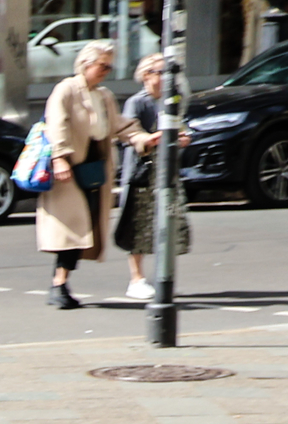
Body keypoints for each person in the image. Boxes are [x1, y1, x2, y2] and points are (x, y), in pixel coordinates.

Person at [37, 41, 153, 310]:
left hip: (93, 169)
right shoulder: (66, 89)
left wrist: (144, 139)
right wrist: (59, 157)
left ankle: (60, 284)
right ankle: (58, 285)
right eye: (102, 65)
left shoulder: (103, 96)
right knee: (71, 230)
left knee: (84, 229)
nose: (106, 71)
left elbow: (120, 125)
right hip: (68, 168)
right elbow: (57, 124)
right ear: (86, 64)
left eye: (109, 66)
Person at [115, 51, 191, 300]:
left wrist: (182, 137)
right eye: (161, 72)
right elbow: (129, 134)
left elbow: (181, 126)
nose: (167, 78)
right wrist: (150, 139)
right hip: (143, 171)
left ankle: (163, 276)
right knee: (139, 226)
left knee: (168, 223)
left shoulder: (173, 100)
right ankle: (136, 279)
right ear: (147, 75)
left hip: (167, 171)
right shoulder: (137, 102)